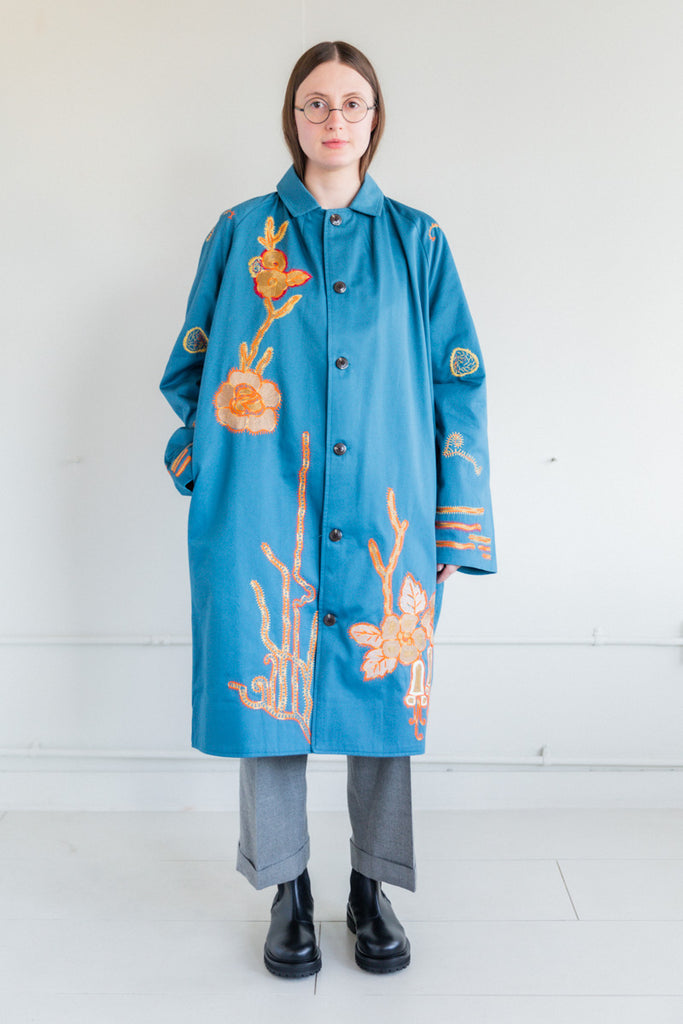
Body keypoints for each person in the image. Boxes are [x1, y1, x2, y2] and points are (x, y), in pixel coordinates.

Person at [159, 40, 497, 979]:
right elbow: (190, 367)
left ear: (374, 118)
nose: (334, 118)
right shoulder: (241, 234)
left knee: (382, 696)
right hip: (262, 509)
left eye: (352, 102)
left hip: (389, 509)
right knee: (268, 692)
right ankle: (285, 889)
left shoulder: (418, 242)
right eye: (315, 102)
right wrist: (205, 472)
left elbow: (459, 382)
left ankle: (371, 886)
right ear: (293, 117)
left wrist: (454, 517)